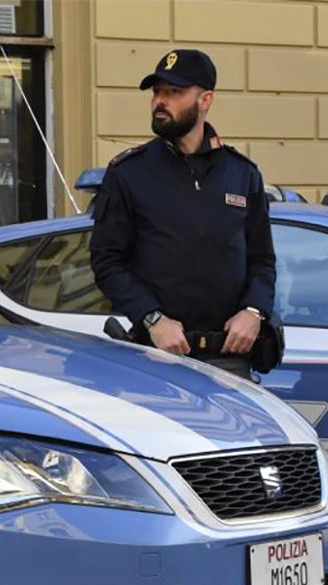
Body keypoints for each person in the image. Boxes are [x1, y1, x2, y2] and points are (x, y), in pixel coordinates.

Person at [89, 49, 276, 379]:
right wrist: (152, 318)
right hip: (157, 359)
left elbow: (262, 259)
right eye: (157, 92)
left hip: (229, 360)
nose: (160, 101)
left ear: (205, 100)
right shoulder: (129, 173)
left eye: (174, 92)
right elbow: (107, 261)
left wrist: (254, 311)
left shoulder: (242, 174)